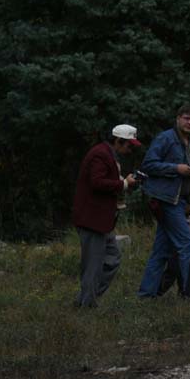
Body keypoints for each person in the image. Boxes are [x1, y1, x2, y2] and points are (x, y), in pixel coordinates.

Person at [72, 124, 141, 307]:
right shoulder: (100, 154)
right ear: (119, 141)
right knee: (93, 267)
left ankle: (85, 299)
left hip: (102, 221)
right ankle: (86, 305)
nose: (130, 149)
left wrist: (122, 182)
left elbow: (102, 179)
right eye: (129, 145)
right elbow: (97, 182)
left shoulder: (108, 153)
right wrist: (124, 184)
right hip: (92, 219)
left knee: (113, 258)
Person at [138, 104, 190, 297]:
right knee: (187, 244)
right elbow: (148, 164)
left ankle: (146, 294)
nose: (189, 122)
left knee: (161, 251)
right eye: (186, 118)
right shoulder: (165, 138)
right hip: (167, 201)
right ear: (178, 118)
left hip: (181, 203)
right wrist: (175, 169)